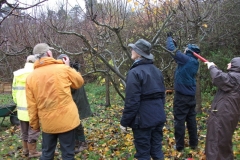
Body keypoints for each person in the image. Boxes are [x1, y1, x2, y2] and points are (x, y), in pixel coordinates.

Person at [25, 43, 84, 160]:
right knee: (68, 154)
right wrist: (68, 67)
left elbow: (31, 106)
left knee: (47, 154)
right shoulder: (63, 68)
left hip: (47, 123)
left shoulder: (30, 78)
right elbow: (79, 82)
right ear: (48, 53)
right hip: (67, 121)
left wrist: (35, 125)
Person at [120, 39, 166, 160]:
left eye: (133, 49)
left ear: (139, 54)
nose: (131, 50)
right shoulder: (157, 71)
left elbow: (132, 101)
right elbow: (162, 97)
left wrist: (124, 122)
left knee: (143, 154)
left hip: (143, 121)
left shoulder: (134, 72)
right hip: (158, 117)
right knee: (157, 150)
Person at [166, 33, 200, 152]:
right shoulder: (194, 62)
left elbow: (172, 50)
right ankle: (194, 144)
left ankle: (179, 146)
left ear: (189, 51)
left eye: (186, 49)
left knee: (179, 121)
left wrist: (169, 38)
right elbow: (177, 54)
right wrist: (175, 46)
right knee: (191, 120)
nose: (184, 51)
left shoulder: (186, 60)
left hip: (181, 97)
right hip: (191, 97)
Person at [204, 58, 240, 160]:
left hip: (223, 115)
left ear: (236, 66)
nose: (228, 64)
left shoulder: (235, 78)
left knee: (216, 142)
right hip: (228, 114)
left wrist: (211, 67)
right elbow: (224, 79)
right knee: (223, 142)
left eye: (231, 63)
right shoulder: (235, 78)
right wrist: (215, 67)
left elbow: (218, 77)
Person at [57, 54, 92, 154]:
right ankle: (77, 142)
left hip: (76, 101)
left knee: (77, 123)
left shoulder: (69, 72)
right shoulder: (70, 71)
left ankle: (82, 143)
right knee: (74, 123)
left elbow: (71, 87)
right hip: (75, 100)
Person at [12, 55, 41, 158]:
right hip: (33, 109)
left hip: (21, 109)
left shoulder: (17, 74)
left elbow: (14, 93)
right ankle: (33, 152)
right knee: (34, 130)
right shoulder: (36, 74)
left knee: (24, 131)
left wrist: (19, 103)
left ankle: (25, 150)